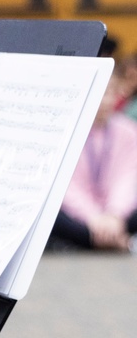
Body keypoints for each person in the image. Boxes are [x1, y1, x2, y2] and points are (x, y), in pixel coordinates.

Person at [50, 74, 137, 250]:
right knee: (52, 214)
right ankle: (119, 242)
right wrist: (93, 217)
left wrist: (115, 215)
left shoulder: (128, 130)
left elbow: (129, 177)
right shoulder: (67, 131)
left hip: (118, 214)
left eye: (110, 93)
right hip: (82, 215)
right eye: (100, 94)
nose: (105, 101)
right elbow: (67, 187)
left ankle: (105, 238)